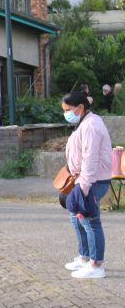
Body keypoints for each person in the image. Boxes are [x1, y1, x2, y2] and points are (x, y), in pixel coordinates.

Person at [62, 90, 112, 279]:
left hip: (92, 180)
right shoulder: (85, 122)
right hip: (82, 179)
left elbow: (90, 158)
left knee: (90, 220)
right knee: (76, 218)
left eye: (68, 110)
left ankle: (96, 264)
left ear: (81, 108)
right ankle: (84, 257)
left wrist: (83, 187)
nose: (66, 114)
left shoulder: (91, 125)